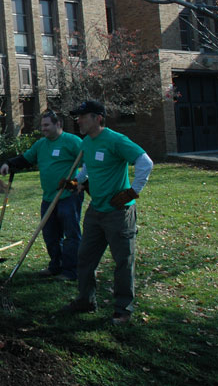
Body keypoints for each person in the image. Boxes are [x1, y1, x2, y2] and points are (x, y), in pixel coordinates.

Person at [62, 100, 153, 325]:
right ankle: (86, 300)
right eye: (78, 117)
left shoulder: (115, 140)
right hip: (96, 210)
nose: (79, 120)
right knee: (84, 258)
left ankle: (123, 309)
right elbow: (89, 168)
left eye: (83, 116)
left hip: (118, 213)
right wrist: (76, 182)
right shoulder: (86, 143)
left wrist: (132, 192)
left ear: (98, 118)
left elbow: (145, 162)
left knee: (123, 261)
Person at [0, 110, 83, 281]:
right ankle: (55, 266)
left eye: (46, 125)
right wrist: (9, 163)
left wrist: (78, 182)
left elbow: (89, 162)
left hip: (68, 196)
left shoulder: (72, 141)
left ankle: (70, 271)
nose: (43, 129)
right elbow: (26, 159)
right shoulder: (41, 144)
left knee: (71, 235)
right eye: (42, 125)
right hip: (48, 197)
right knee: (50, 235)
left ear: (58, 124)